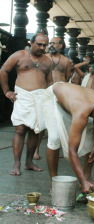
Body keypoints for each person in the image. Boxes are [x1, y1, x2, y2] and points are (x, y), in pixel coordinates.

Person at [42, 82, 94, 194]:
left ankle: (87, 177)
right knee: (55, 138)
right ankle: (54, 181)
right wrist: (82, 182)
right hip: (53, 97)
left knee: (92, 139)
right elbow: (72, 150)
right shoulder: (82, 111)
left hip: (75, 101)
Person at [0, 33, 52, 175]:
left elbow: (50, 81)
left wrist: (50, 97)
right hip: (22, 97)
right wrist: (7, 92)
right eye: (39, 44)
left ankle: (29, 162)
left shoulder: (47, 61)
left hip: (40, 98)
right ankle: (16, 164)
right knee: (20, 129)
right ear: (31, 42)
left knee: (34, 130)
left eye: (44, 45)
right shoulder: (19, 55)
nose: (42, 47)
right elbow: (3, 70)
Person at [33, 36, 72, 160]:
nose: (51, 45)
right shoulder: (44, 58)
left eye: (54, 43)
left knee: (59, 121)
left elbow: (66, 78)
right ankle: (36, 150)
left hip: (59, 94)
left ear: (60, 46)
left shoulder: (66, 61)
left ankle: (56, 149)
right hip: (45, 92)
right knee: (41, 123)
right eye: (50, 43)